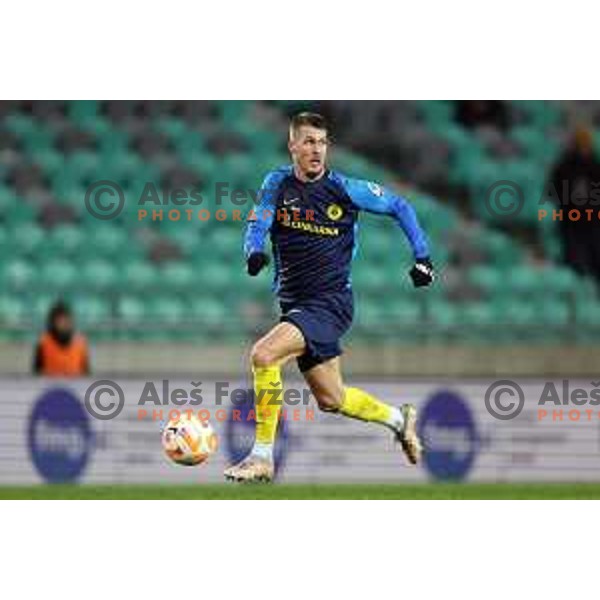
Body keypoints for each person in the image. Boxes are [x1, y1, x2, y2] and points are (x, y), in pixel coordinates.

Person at [224, 112, 434, 483]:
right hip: (295, 305)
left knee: (264, 355)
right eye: (308, 142)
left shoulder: (345, 189)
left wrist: (423, 257)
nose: (316, 150)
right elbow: (258, 221)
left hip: (330, 303)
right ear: (292, 146)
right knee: (332, 399)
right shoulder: (277, 184)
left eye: (321, 142)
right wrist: (254, 251)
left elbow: (399, 206)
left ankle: (261, 456)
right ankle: (399, 419)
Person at [548, 127, 600, 283]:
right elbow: (553, 191)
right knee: (574, 257)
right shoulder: (564, 166)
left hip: (593, 220)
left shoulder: (595, 166)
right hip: (571, 219)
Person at [33, 301, 91, 377]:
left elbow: (86, 372)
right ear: (52, 322)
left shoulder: (80, 342)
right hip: (50, 386)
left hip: (76, 386)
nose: (64, 323)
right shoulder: (43, 342)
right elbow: (37, 373)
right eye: (60, 320)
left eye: (66, 319)